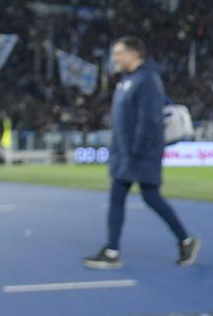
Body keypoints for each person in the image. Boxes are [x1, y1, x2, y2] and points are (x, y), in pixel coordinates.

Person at [84, 37, 200, 269]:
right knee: (130, 198)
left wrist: (136, 151)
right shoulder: (128, 80)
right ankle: (114, 249)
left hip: (138, 154)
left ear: (134, 54)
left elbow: (150, 121)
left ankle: (115, 250)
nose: (114, 58)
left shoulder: (147, 80)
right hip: (126, 154)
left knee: (149, 198)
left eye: (118, 53)